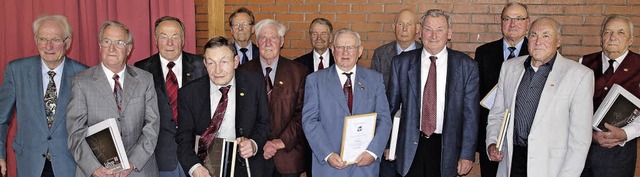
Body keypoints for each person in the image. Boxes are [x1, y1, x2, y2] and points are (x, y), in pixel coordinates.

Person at [486, 17, 594, 177]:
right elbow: (498, 114)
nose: (538, 41)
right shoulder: (509, 67)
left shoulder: (579, 75)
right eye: (534, 35)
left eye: (546, 35)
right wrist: (493, 142)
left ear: (558, 41)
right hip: (512, 162)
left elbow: (580, 139)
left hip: (551, 167)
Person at [387, 9, 479, 177]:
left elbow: (471, 115)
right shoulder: (401, 63)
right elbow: (391, 108)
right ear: (420, 32)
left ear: (449, 33)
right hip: (410, 146)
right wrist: (389, 145)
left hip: (446, 148)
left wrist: (467, 154)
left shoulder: (466, 66)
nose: (433, 35)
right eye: (428, 29)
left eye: (440, 29)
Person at [66, 21, 160, 177]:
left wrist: (132, 162)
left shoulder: (145, 80)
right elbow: (75, 132)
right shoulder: (81, 82)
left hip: (139, 169)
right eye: (107, 41)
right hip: (98, 172)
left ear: (129, 49)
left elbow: (152, 126)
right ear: (100, 46)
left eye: (119, 43)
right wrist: (94, 168)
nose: (112, 48)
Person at [0, 15, 87, 177]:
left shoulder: (84, 74)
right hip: (29, 163)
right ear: (35, 40)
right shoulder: (16, 70)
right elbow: (1, 118)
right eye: (42, 39)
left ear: (67, 42)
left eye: (55, 39)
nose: (48, 46)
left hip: (70, 165)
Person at [176, 36, 270, 177]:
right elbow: (183, 138)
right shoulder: (189, 93)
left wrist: (253, 143)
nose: (217, 70)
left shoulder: (254, 83)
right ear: (204, 64)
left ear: (235, 62)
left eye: (224, 62)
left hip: (246, 166)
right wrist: (195, 168)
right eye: (211, 63)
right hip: (205, 168)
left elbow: (264, 124)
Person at [302, 28, 392, 176]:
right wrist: (327, 154)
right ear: (332, 50)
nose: (345, 52)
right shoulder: (315, 80)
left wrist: (373, 152)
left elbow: (384, 120)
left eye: (350, 47)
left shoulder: (375, 80)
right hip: (329, 167)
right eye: (340, 47)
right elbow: (310, 121)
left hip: (365, 167)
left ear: (360, 51)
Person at [134, 16, 206, 177]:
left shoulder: (202, 65)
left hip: (198, 157)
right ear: (155, 39)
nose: (170, 43)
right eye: (164, 37)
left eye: (175, 37)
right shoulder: (141, 70)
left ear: (183, 40)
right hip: (160, 157)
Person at [238, 19, 309, 177]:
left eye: (273, 37)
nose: (268, 42)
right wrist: (259, 143)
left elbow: (303, 115)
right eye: (263, 38)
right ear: (257, 41)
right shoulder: (243, 73)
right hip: (253, 156)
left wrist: (277, 143)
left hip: (287, 156)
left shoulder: (299, 73)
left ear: (282, 41)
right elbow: (240, 114)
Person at [474, 3, 530, 177]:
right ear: (501, 23)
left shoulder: (535, 52)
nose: (512, 24)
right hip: (491, 137)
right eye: (507, 19)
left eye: (518, 19)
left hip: (524, 140)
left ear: (528, 23)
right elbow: (476, 97)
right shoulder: (484, 52)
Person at [580, 15, 639, 177]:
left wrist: (626, 133)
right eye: (608, 32)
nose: (613, 37)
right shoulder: (584, 62)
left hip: (619, 153)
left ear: (631, 40)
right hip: (582, 150)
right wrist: (590, 135)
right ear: (601, 37)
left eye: (621, 33)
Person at [371, 8, 423, 88]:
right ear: (393, 27)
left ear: (417, 28)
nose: (404, 29)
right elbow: (373, 87)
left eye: (409, 24)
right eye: (400, 24)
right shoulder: (381, 54)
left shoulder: (425, 53)